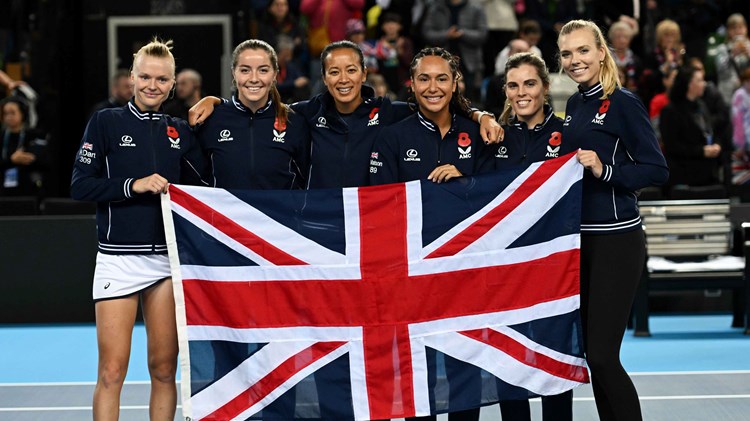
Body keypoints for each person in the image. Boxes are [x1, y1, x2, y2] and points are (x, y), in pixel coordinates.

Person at [70, 38, 205, 421]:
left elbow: (206, 188)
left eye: (161, 79)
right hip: (117, 262)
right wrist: (135, 184)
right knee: (112, 372)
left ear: (173, 83)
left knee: (163, 370)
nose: (152, 85)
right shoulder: (105, 121)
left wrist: (214, 104)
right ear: (131, 78)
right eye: (144, 76)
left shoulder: (180, 130)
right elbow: (80, 185)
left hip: (166, 263)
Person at [190, 40, 501, 190]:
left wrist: (480, 115)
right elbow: (263, 112)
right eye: (334, 72)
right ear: (324, 78)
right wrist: (218, 102)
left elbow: (434, 101)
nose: (343, 79)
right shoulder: (305, 114)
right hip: (322, 225)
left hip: (371, 225)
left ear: (364, 73)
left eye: (351, 70)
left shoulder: (388, 112)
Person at [369, 46, 491, 421]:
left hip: (464, 272)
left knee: (463, 371)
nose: (432, 87)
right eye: (424, 78)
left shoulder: (479, 132)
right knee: (416, 372)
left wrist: (466, 180)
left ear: (456, 84)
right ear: (411, 83)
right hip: (412, 274)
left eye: (442, 78)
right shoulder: (391, 137)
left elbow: (499, 198)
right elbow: (377, 208)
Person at [557, 19, 668, 421]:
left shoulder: (624, 102)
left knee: (603, 356)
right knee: (593, 355)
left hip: (617, 242)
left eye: (583, 50)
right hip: (579, 243)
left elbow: (656, 169)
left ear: (602, 52)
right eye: (567, 54)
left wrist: (607, 170)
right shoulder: (573, 105)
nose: (575, 60)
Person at [490, 52, 576, 421]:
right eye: (513, 85)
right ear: (505, 91)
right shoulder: (491, 139)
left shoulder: (570, 136)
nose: (521, 92)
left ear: (546, 87)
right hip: (505, 273)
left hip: (554, 274)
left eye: (529, 83)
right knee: (510, 368)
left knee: (555, 368)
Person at [194, 39, 309, 191]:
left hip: (278, 215)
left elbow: (308, 183)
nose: (254, 79)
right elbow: (195, 181)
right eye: (245, 70)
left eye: (263, 70)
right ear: (233, 73)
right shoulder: (211, 119)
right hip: (226, 215)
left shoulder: (295, 121)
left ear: (274, 74)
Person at [660, 65, 724, 196]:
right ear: (689, 84)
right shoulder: (670, 111)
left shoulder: (701, 105)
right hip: (684, 175)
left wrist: (716, 145)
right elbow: (672, 146)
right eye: (700, 80)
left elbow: (710, 131)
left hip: (707, 173)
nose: (704, 84)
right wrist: (701, 151)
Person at [421, 0, 488, 104]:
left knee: (471, 99)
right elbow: (427, 33)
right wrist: (446, 34)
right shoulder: (435, 8)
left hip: (470, 61)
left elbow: (482, 34)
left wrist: (462, 33)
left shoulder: (476, 8)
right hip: (440, 60)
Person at [0, 96, 49, 197]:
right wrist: (11, 160)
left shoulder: (34, 135)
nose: (9, 117)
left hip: (28, 187)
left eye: (13, 113)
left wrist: (31, 158)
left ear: (22, 113)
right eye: (6, 113)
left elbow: (45, 160)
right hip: (4, 188)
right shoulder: (2, 135)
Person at [715, 13, 750, 105]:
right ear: (728, 31)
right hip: (729, 96)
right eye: (734, 28)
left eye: (740, 27)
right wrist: (731, 55)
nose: (738, 31)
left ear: (746, 29)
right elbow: (720, 71)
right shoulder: (722, 48)